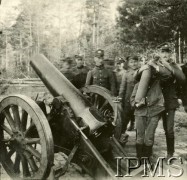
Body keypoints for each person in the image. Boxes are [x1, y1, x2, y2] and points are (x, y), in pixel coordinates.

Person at [159, 45, 186, 159]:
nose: (165, 55)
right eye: (163, 52)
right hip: (156, 102)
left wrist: (179, 97)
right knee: (148, 128)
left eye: (167, 52)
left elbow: (182, 80)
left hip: (170, 101)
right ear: (160, 53)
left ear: (170, 54)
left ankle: (170, 153)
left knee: (169, 129)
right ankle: (146, 154)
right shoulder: (155, 65)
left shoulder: (174, 66)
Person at [118, 56, 139, 135]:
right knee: (124, 120)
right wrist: (120, 99)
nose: (134, 64)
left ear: (138, 62)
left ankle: (139, 142)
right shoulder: (126, 74)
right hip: (128, 101)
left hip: (139, 101)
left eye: (135, 62)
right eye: (131, 62)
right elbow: (122, 88)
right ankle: (121, 138)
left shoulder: (142, 72)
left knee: (139, 122)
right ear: (129, 64)